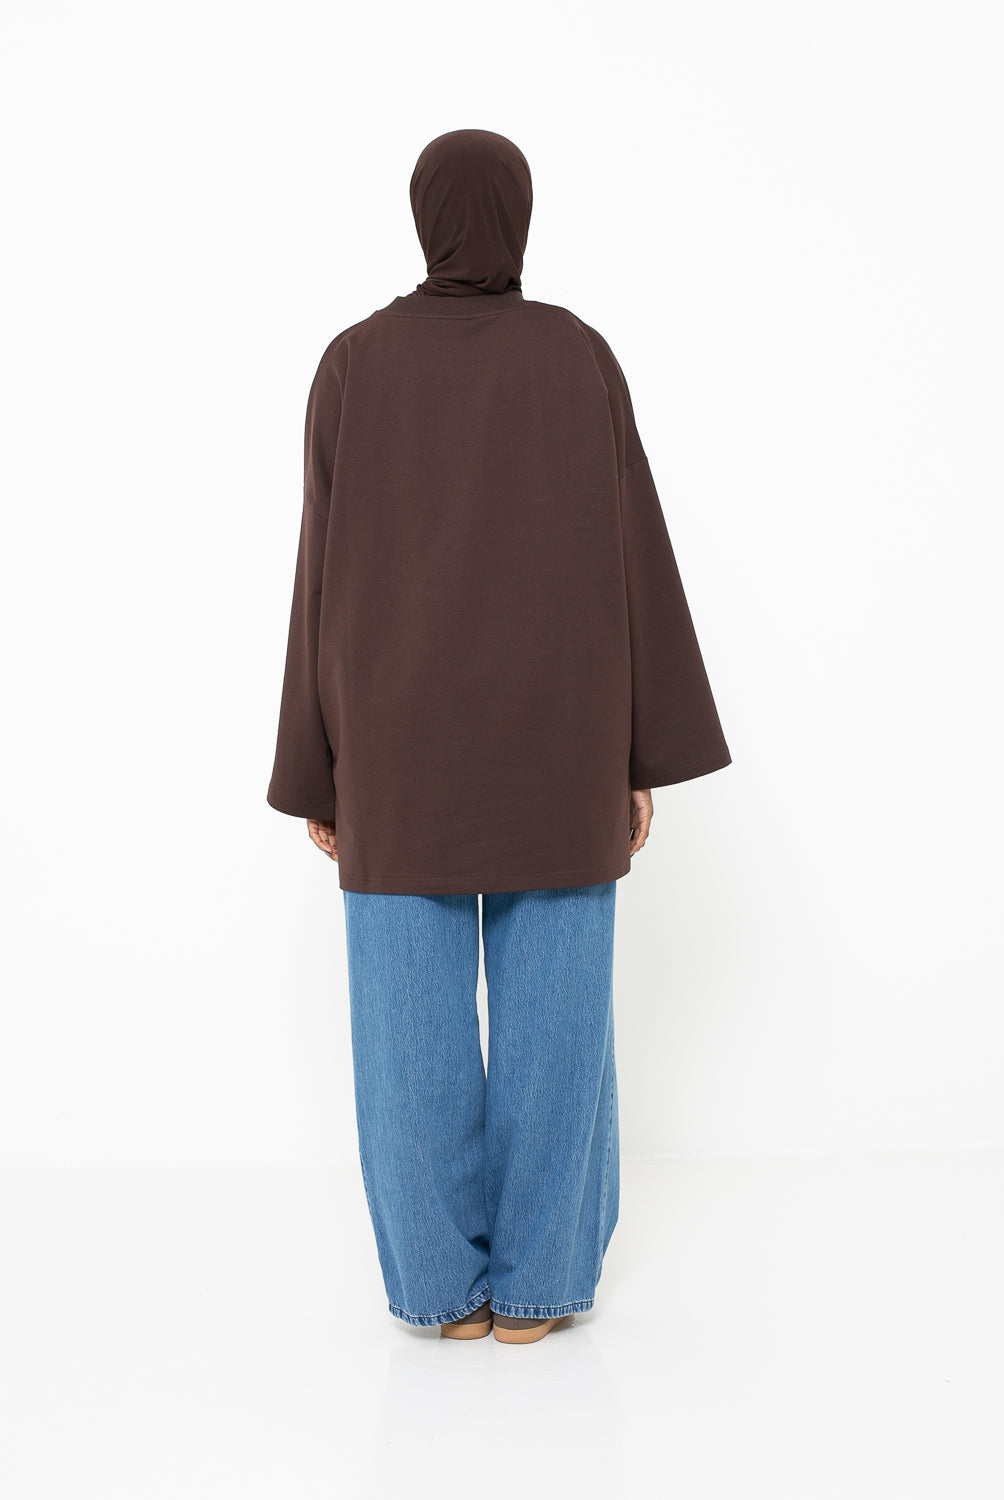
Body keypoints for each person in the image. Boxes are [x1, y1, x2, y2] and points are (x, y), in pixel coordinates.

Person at [267, 128, 732, 1344]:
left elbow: (322, 575)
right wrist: (638, 754)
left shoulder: (352, 364)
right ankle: (537, 1291)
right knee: (558, 1030)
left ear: (422, 216)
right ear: (519, 214)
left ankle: (439, 1293)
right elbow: (632, 557)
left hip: (395, 747)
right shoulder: (576, 355)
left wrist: (317, 765)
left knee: (404, 1035)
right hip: (560, 740)